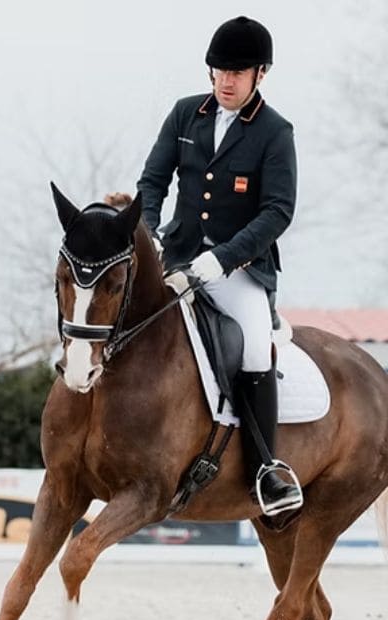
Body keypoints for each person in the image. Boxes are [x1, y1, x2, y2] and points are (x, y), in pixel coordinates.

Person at [136, 15, 301, 516]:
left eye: (238, 71)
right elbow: (152, 182)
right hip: (178, 258)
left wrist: (223, 259)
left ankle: (266, 469)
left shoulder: (275, 132)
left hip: (240, 271)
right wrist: (146, 236)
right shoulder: (186, 115)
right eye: (220, 70)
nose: (227, 80)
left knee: (254, 345)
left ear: (260, 74)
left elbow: (278, 211)